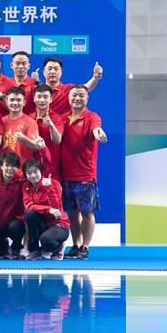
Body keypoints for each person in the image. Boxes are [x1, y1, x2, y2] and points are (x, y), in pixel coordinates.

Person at [61, 85, 107, 260]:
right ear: (68, 98)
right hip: (67, 175)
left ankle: (85, 247)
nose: (77, 98)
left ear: (87, 98)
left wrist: (99, 134)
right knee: (73, 213)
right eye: (74, 95)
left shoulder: (92, 117)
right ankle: (76, 245)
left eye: (81, 95)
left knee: (87, 212)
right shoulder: (63, 119)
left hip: (85, 176)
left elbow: (96, 129)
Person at [22, 158, 70, 261]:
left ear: (41, 171)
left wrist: (49, 188)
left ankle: (58, 248)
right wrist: (48, 210)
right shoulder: (26, 186)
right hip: (43, 223)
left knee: (46, 240)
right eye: (29, 173)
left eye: (35, 171)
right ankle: (34, 250)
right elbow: (29, 206)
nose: (33, 175)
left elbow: (56, 207)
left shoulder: (54, 183)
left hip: (58, 223)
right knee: (29, 214)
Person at [0, 152, 26, 259]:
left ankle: (16, 247)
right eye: (7, 165)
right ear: (1, 166)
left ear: (18, 168)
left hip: (15, 223)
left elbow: (36, 176)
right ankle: (4, 245)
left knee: (17, 226)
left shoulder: (22, 179)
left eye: (13, 166)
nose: (10, 168)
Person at [31, 57, 103, 116]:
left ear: (61, 72)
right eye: (49, 69)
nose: (52, 72)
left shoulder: (69, 89)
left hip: (63, 127)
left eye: (56, 69)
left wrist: (95, 77)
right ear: (43, 72)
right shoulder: (37, 90)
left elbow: (87, 87)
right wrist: (36, 84)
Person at [1, 87, 46, 167]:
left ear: (24, 102)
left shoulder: (30, 122)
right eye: (12, 100)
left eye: (18, 100)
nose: (15, 103)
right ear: (7, 101)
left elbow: (35, 147)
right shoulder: (1, 121)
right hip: (5, 170)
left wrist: (24, 139)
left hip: (23, 170)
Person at [31, 84, 64, 180]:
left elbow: (57, 141)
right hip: (32, 169)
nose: (42, 100)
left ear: (51, 99)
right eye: (39, 97)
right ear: (34, 98)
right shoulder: (29, 118)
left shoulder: (57, 118)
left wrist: (51, 125)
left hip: (51, 168)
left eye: (45, 97)